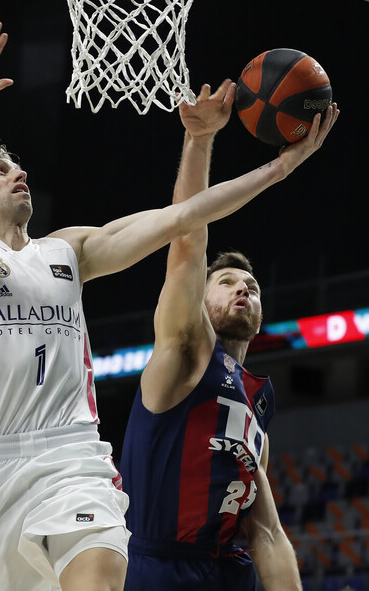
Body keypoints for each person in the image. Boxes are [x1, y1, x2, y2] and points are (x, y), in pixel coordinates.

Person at [0, 20, 336, 591]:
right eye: (0, 170)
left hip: (75, 458)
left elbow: (183, 220)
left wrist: (277, 166)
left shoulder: (70, 249)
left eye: (19, 166)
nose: (19, 172)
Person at [118, 88, 338, 589]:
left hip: (227, 566)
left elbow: (266, 530)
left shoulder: (260, 399)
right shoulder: (185, 352)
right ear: (200, 300)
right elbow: (187, 239)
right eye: (228, 282)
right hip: (157, 566)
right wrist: (199, 142)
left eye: (253, 287)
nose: (244, 287)